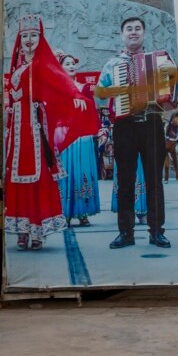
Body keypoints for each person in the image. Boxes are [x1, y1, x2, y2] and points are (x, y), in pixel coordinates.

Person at [3, 15, 98, 250]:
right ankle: (22, 228)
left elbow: (61, 81)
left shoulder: (42, 65)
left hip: (35, 130)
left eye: (33, 35)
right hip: (16, 131)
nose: (28, 40)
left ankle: (37, 230)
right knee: (17, 178)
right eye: (24, 36)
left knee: (38, 177)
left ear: (40, 38)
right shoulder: (17, 67)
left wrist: (75, 95)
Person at [96, 16, 178, 250]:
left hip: (152, 123)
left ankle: (157, 232)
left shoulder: (159, 61)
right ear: (122, 35)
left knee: (155, 179)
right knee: (125, 180)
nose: (133, 32)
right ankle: (126, 232)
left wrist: (171, 75)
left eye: (137, 29)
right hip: (125, 125)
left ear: (144, 34)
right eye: (129, 29)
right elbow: (100, 92)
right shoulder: (113, 64)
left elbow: (177, 87)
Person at [55, 51, 105, 227]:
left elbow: (92, 112)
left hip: (83, 137)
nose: (71, 66)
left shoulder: (84, 88)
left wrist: (100, 131)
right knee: (67, 174)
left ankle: (83, 212)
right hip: (66, 137)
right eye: (66, 64)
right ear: (60, 67)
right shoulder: (57, 88)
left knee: (84, 173)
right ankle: (65, 212)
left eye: (72, 63)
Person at [163, 113, 178, 183]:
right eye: (177, 119)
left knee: (175, 163)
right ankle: (166, 179)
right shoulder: (168, 126)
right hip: (166, 147)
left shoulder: (177, 127)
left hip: (173, 147)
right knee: (166, 164)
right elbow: (166, 137)